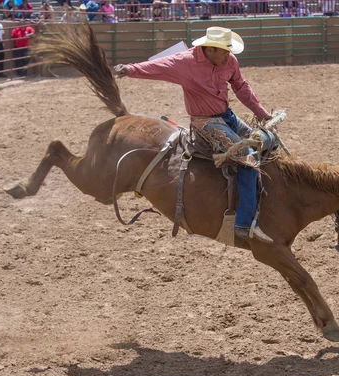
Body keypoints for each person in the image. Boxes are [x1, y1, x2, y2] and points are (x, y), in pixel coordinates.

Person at [113, 27, 275, 243]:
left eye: (229, 50)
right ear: (210, 49)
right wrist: (130, 69)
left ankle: (267, 198)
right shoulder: (185, 61)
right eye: (224, 51)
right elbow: (157, 67)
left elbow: (241, 87)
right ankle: (244, 224)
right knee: (246, 157)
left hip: (227, 115)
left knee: (266, 141)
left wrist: (261, 113)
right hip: (204, 121)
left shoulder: (229, 61)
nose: (228, 55)